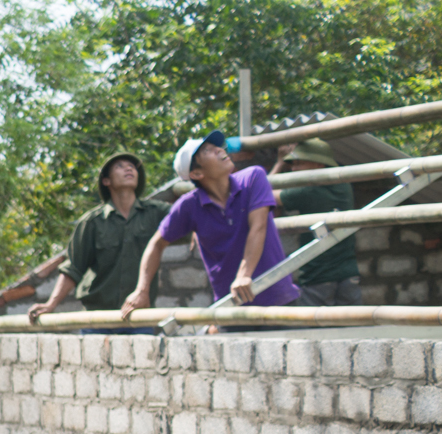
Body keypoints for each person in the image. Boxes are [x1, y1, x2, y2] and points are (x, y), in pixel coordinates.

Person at [120, 130, 301, 314]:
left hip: (277, 301)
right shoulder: (190, 205)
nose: (219, 150)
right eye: (207, 151)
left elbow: (258, 227)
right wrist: (141, 291)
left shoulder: (253, 177)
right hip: (230, 307)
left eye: (217, 147)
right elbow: (156, 243)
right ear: (197, 173)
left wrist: (244, 276)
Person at [28, 153, 169, 322]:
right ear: (106, 181)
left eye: (132, 166)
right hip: (97, 317)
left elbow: (188, 217)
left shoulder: (156, 213)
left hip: (138, 316)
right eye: (119, 166)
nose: (129, 168)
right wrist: (51, 305)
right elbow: (73, 268)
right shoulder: (92, 222)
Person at [274, 138, 365, 309]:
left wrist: (279, 163)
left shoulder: (308, 192)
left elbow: (263, 194)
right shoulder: (343, 185)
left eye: (299, 163)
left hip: (318, 278)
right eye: (291, 164)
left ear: (318, 165)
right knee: (353, 331)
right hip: (348, 275)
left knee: (314, 333)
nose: (293, 169)